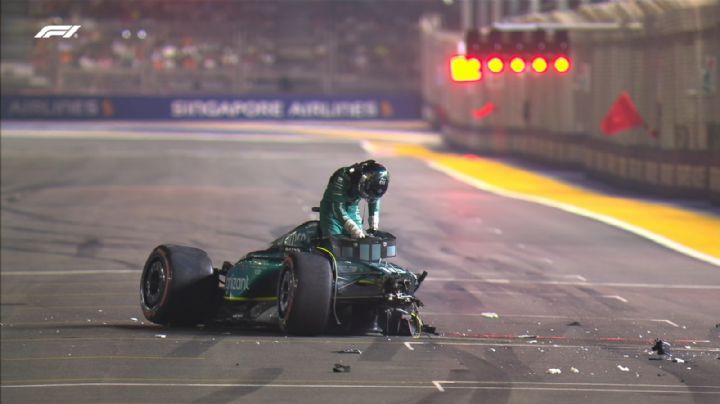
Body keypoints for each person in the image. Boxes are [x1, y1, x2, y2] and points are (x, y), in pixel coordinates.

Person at [319, 160, 389, 239]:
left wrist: (374, 226)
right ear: (362, 181)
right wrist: (353, 228)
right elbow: (338, 208)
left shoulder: (374, 184)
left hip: (352, 209)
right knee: (334, 242)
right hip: (331, 210)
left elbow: (374, 199)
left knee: (359, 241)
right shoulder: (342, 177)